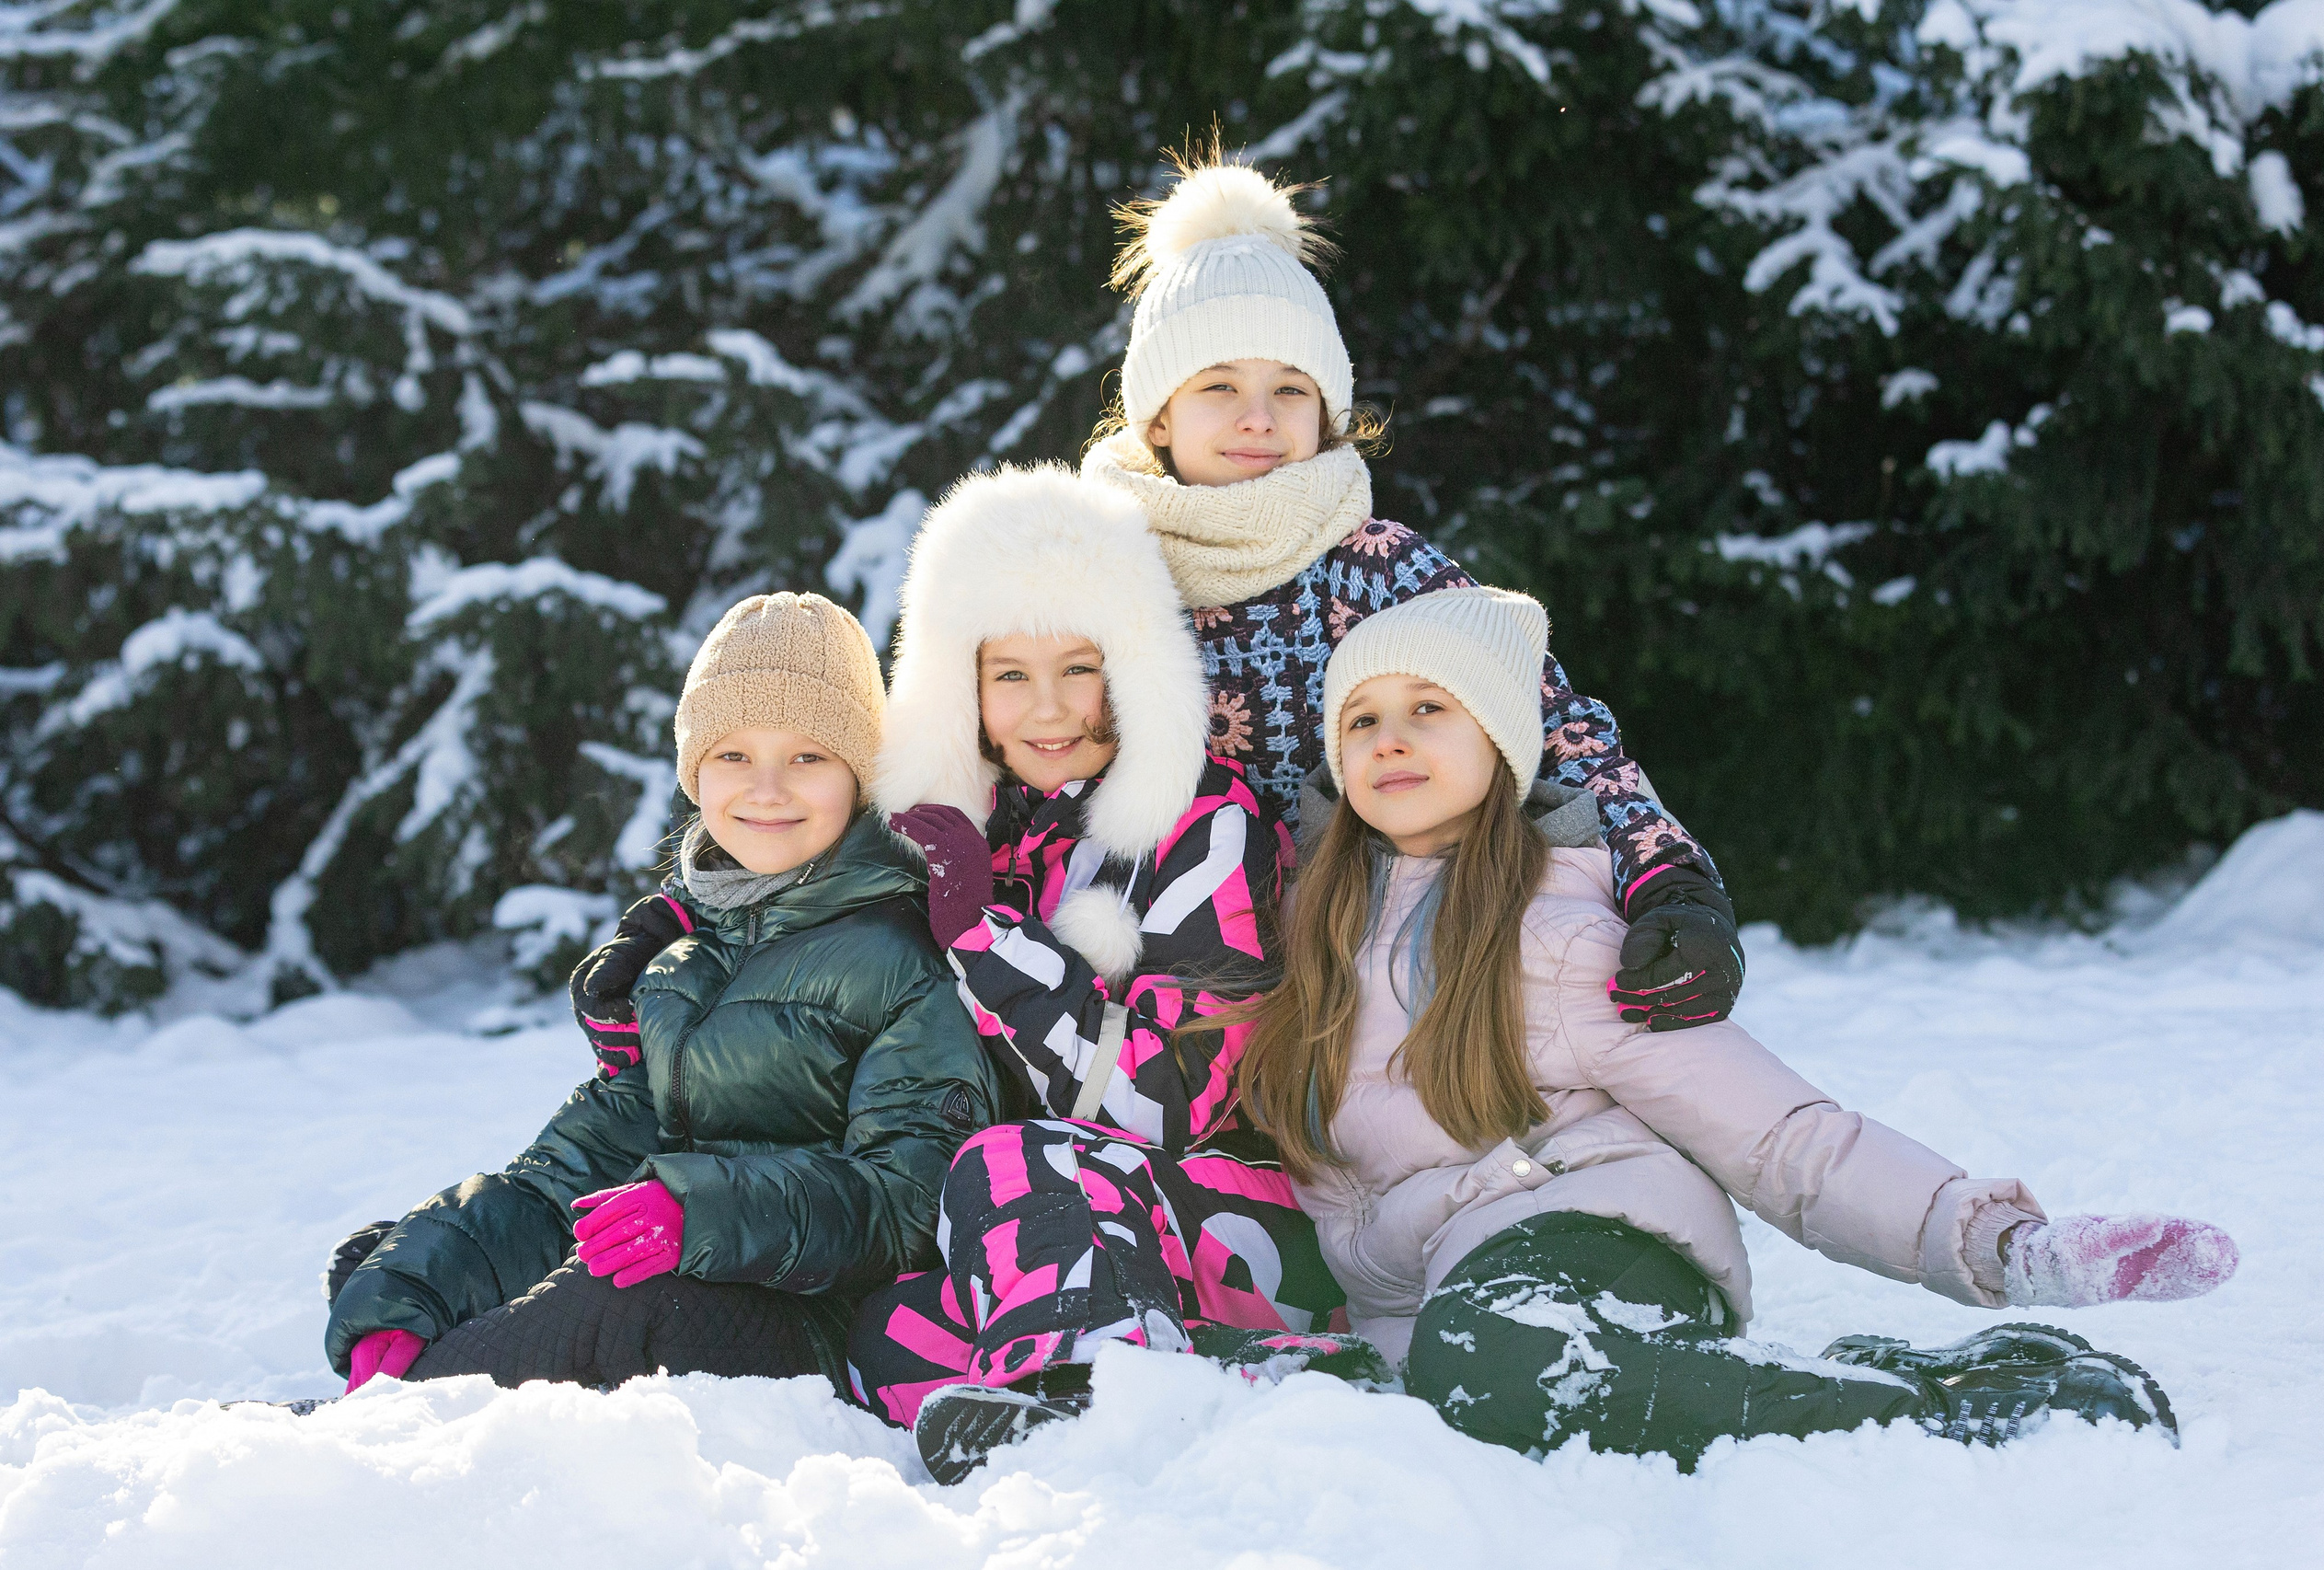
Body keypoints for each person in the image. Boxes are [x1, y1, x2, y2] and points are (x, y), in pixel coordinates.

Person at [1235, 585, 2238, 1465]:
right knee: (1435, 1376)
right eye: (1359, 719)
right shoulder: (1300, 930)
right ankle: (1828, 1375)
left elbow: (1780, 1136)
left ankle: (1950, 1406)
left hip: (1594, 1242)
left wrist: (2000, 1245)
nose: (1389, 737)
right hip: (1433, 1296)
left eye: (1427, 708)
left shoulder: (1555, 933)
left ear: (1501, 739)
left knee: (1500, 1355)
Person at [1080, 147, 1741, 1032]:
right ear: (1158, 413)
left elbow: (1549, 722)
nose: (1258, 417)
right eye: (1219, 387)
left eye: (1290, 388)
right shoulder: (1090, 566)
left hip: (1373, 966)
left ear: (1328, 410)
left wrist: (1669, 876)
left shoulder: (1374, 567)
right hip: (1141, 981)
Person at [321, 594, 1008, 1395]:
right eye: (733, 757)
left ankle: (402, 1421)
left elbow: (909, 1205)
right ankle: (416, 1379)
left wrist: (704, 1213)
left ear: (861, 776)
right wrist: (417, 1287)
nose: (768, 789)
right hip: (695, 1265)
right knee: (388, 1267)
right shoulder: (681, 959)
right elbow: (567, 1175)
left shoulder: (900, 954)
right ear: (694, 772)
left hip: (829, 1319)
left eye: (809, 758)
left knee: (619, 1305)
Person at [843, 463, 1369, 1484]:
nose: (1046, 709)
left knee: (1011, 1160)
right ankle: (1241, 1382)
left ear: (1129, 672)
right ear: (961, 688)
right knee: (887, 1332)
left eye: (1077, 668)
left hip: (1241, 1219)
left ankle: (1087, 1413)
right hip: (1045, 1235)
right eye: (1008, 675)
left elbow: (1167, 1104)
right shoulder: (966, 836)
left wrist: (987, 935)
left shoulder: (1203, 822)